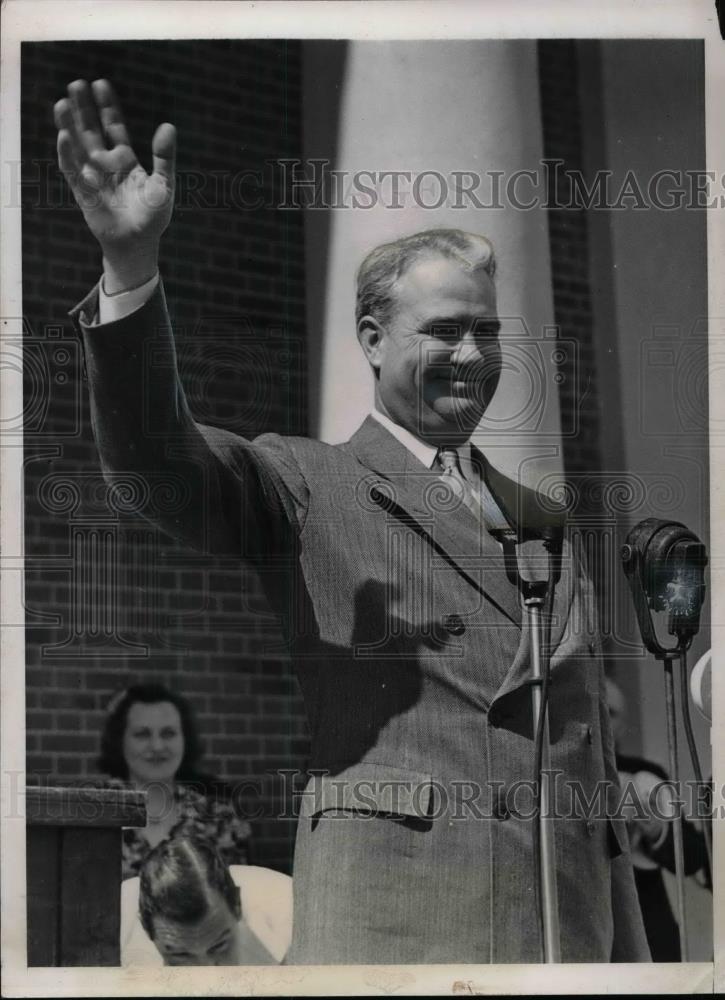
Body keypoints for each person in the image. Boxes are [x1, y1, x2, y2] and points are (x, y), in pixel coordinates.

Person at [55, 78, 650, 963]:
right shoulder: (309, 483)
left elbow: (584, 767)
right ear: (372, 340)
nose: (473, 357)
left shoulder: (542, 521)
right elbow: (157, 464)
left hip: (559, 938)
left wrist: (626, 959)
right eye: (444, 331)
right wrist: (130, 271)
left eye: (486, 333)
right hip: (399, 931)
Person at [99, 682, 252, 879]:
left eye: (168, 733)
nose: (157, 745)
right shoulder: (95, 812)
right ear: (119, 741)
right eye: (142, 734)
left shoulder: (220, 818)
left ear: (185, 740)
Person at [606, 678, 710, 961]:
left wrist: (656, 831)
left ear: (622, 724)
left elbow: (693, 855)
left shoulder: (647, 773)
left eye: (610, 713)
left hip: (649, 928)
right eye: (595, 710)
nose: (601, 720)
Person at [121, 836, 292, 965]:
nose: (205, 971)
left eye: (219, 946)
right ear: (145, 926)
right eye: (180, 955)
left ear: (237, 906)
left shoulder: (288, 919)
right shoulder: (116, 930)